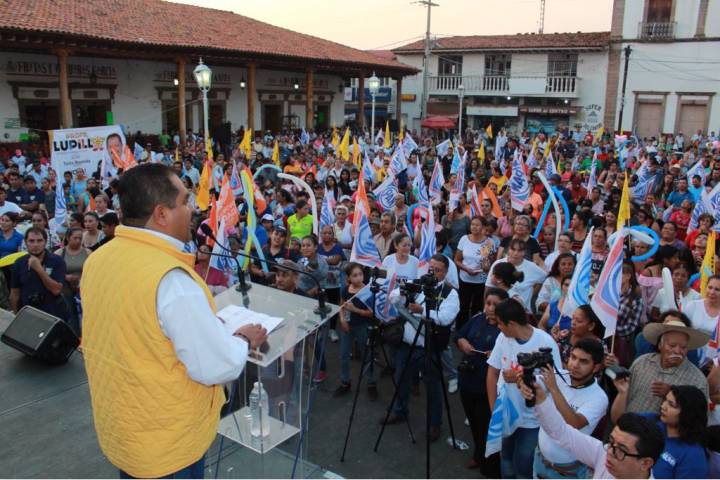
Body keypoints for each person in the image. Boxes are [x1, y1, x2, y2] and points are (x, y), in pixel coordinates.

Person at [80, 164, 267, 479]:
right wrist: (244, 340)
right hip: (168, 445)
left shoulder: (99, 259)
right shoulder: (170, 280)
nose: (192, 209)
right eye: (185, 202)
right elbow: (214, 366)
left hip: (125, 430)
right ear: (161, 214)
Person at [519, 377, 665, 479]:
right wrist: (540, 399)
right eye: (611, 441)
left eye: (621, 450)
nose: (610, 452)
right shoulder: (602, 453)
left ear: (645, 463)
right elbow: (561, 432)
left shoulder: (598, 397)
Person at [381, 255, 459, 442]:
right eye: (431, 269)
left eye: (437, 270)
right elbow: (393, 298)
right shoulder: (418, 283)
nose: (433, 273)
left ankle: (435, 424)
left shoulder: (450, 293)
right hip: (408, 344)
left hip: (430, 346)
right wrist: (403, 293)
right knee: (401, 379)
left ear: (445, 272)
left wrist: (422, 310)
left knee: (432, 387)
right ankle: (400, 411)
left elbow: (446, 318)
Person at [486, 298, 562, 479]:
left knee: (523, 467)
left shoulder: (546, 343)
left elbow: (555, 383)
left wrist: (520, 378)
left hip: (533, 420)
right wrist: (494, 410)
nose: (498, 327)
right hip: (507, 414)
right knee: (505, 461)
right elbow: (492, 373)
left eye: (500, 323)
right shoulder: (503, 338)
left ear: (511, 324)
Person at [531, 338, 609, 479]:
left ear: (596, 367)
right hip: (540, 459)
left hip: (567, 472)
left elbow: (574, 423)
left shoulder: (599, 397)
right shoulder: (558, 376)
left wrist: (554, 388)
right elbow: (532, 385)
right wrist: (521, 376)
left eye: (583, 361)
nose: (575, 365)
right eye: (573, 357)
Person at [455, 287, 507, 476]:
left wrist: (497, 355)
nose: (490, 308)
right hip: (467, 381)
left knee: (486, 425)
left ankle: (490, 464)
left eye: (495, 305)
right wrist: (462, 343)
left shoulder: (505, 329)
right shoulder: (477, 319)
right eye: (488, 303)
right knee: (475, 423)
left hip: (487, 387)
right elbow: (459, 335)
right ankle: (478, 454)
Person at [612, 380, 709, 478]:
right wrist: (622, 393)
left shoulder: (693, 456)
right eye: (665, 400)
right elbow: (620, 422)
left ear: (688, 414)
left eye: (671, 405)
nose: (663, 406)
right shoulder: (650, 420)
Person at [622, 318, 709, 416]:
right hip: (627, 423)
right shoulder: (641, 363)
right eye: (672, 345)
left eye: (683, 347)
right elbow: (624, 395)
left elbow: (699, 418)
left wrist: (675, 395)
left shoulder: (697, 380)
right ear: (660, 345)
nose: (677, 351)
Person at [334, 262, 376, 400]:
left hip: (362, 326)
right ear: (348, 278)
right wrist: (342, 320)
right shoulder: (345, 290)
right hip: (348, 326)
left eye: (360, 274)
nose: (359, 278)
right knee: (344, 355)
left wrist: (355, 310)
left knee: (367, 355)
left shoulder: (368, 291)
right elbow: (342, 306)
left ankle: (371, 383)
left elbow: (371, 313)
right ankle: (345, 382)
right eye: (355, 275)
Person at [10, 227, 67, 320]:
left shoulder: (57, 261)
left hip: (52, 314)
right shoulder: (19, 263)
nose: (35, 245)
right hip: (28, 314)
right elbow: (14, 293)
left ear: (45, 242)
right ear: (26, 242)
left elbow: (56, 290)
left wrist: (39, 269)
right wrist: (16, 316)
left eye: (39, 241)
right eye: (31, 241)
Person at [454, 216, 497, 329]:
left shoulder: (488, 243)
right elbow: (457, 260)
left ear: (483, 227)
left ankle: (475, 330)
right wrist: (466, 269)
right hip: (465, 279)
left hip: (481, 280)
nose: (474, 227)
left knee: (477, 307)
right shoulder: (464, 239)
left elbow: (490, 263)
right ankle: (460, 330)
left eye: (477, 225)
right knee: (463, 306)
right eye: (472, 224)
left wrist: (486, 267)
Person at [486, 238, 546, 314]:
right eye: (513, 249)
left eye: (520, 250)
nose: (515, 253)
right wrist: (486, 310)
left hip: (523, 313)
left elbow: (544, 279)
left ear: (524, 252)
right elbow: (488, 288)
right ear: (508, 249)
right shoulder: (498, 264)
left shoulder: (532, 267)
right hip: (496, 313)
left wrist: (533, 293)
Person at [54, 227, 91, 334]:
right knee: (70, 313)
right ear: (68, 238)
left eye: (80, 238)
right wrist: (65, 276)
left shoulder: (87, 252)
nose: (78, 241)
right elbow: (54, 272)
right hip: (66, 289)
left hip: (83, 288)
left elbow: (92, 270)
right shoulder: (59, 253)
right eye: (75, 238)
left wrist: (81, 278)